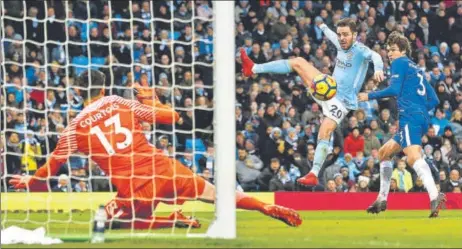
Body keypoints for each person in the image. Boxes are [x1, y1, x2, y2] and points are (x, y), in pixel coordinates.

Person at [9, 70, 302, 229]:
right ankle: (265, 206)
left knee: (109, 220)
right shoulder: (118, 102)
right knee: (218, 195)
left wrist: (30, 181)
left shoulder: (74, 128)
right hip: (164, 168)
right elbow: (171, 117)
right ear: (102, 88)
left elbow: (53, 166)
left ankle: (170, 220)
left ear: (76, 91)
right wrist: (151, 99)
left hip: (136, 187)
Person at [240, 18, 384, 186]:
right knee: (298, 62)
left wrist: (379, 69)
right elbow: (331, 36)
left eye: (346, 35)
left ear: (354, 35)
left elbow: (376, 56)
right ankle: (254, 68)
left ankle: (314, 173)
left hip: (341, 102)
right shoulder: (340, 43)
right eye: (340, 35)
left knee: (324, 133)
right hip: (326, 89)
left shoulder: (361, 50)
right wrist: (323, 26)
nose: (342, 38)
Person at [358, 32, 446, 218]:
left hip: (409, 116)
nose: (390, 54)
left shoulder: (400, 63)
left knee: (413, 157)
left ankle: (434, 195)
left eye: (394, 50)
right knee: (384, 153)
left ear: (403, 50)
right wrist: (420, 109)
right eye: (388, 50)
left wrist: (369, 95)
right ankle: (382, 198)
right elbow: (435, 99)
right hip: (421, 117)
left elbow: (394, 90)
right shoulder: (417, 69)